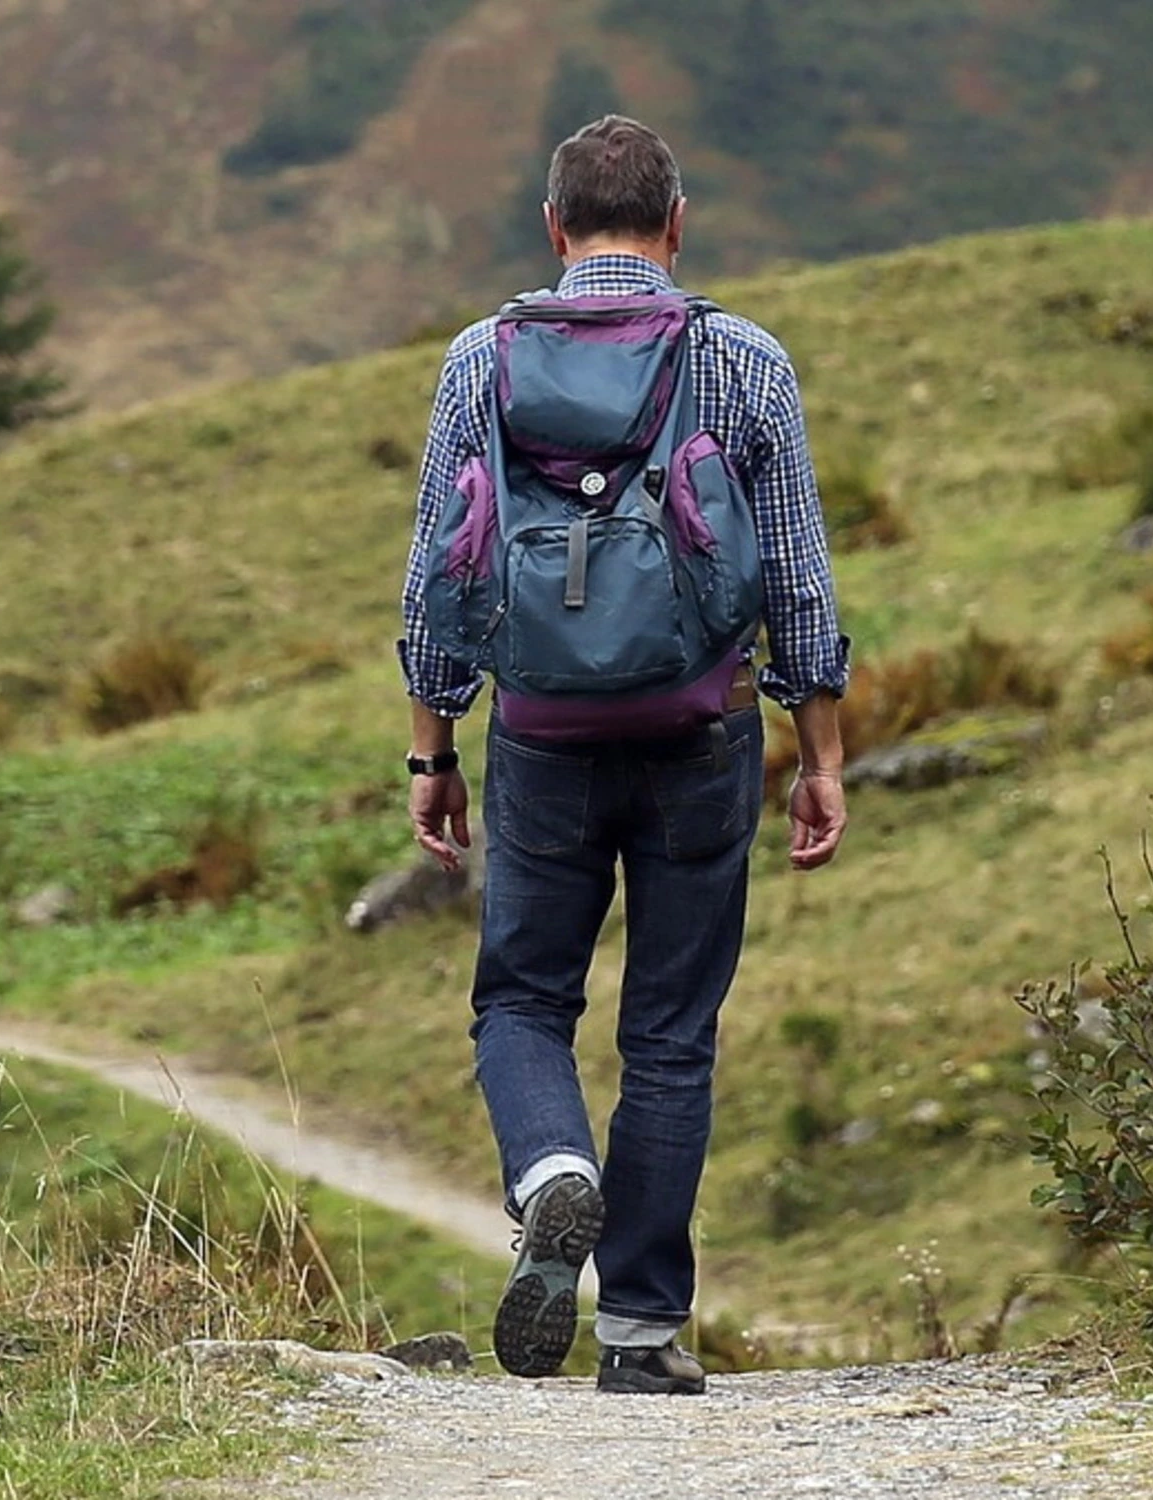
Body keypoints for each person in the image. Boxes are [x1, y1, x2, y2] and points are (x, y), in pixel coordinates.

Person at [398, 115, 850, 1396]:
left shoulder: (481, 359)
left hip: (539, 735)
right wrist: (819, 749)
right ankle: (642, 1332)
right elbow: (800, 579)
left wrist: (432, 748)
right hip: (701, 731)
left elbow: (441, 564)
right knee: (670, 1031)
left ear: (553, 228)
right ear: (677, 222)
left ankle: (553, 1172)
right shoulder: (743, 359)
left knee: (523, 999)